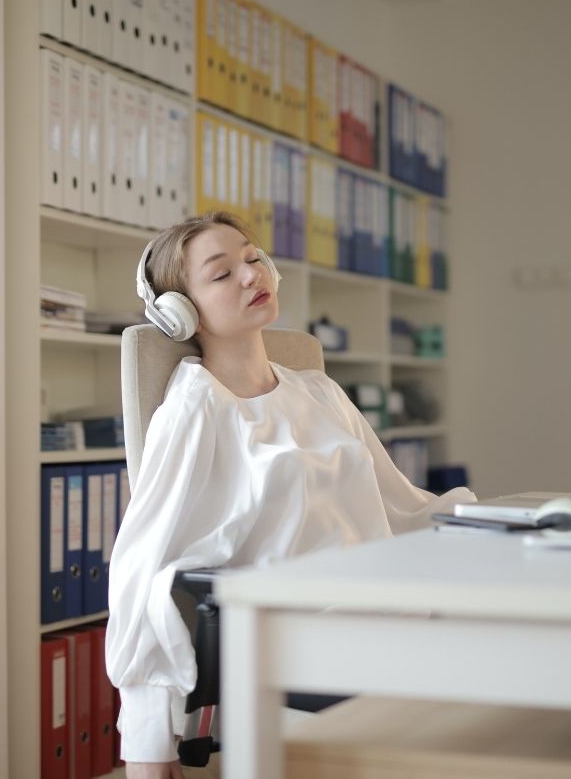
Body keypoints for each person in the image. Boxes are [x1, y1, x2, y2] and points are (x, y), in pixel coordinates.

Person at [105, 211, 476, 778]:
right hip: (309, 635)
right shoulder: (196, 409)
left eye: (254, 259)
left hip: (383, 612)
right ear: (180, 313)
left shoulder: (319, 391)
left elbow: (402, 507)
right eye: (222, 273)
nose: (252, 276)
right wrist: (147, 741)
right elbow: (143, 567)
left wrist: (517, 522)